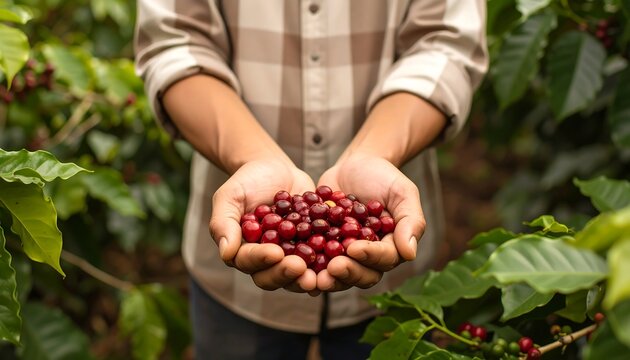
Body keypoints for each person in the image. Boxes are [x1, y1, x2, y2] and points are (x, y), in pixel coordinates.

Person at [134, 1, 487, 359]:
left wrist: (374, 154)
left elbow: (447, 43)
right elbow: (175, 43)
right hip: (234, 290)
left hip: (397, 286)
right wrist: (253, 157)